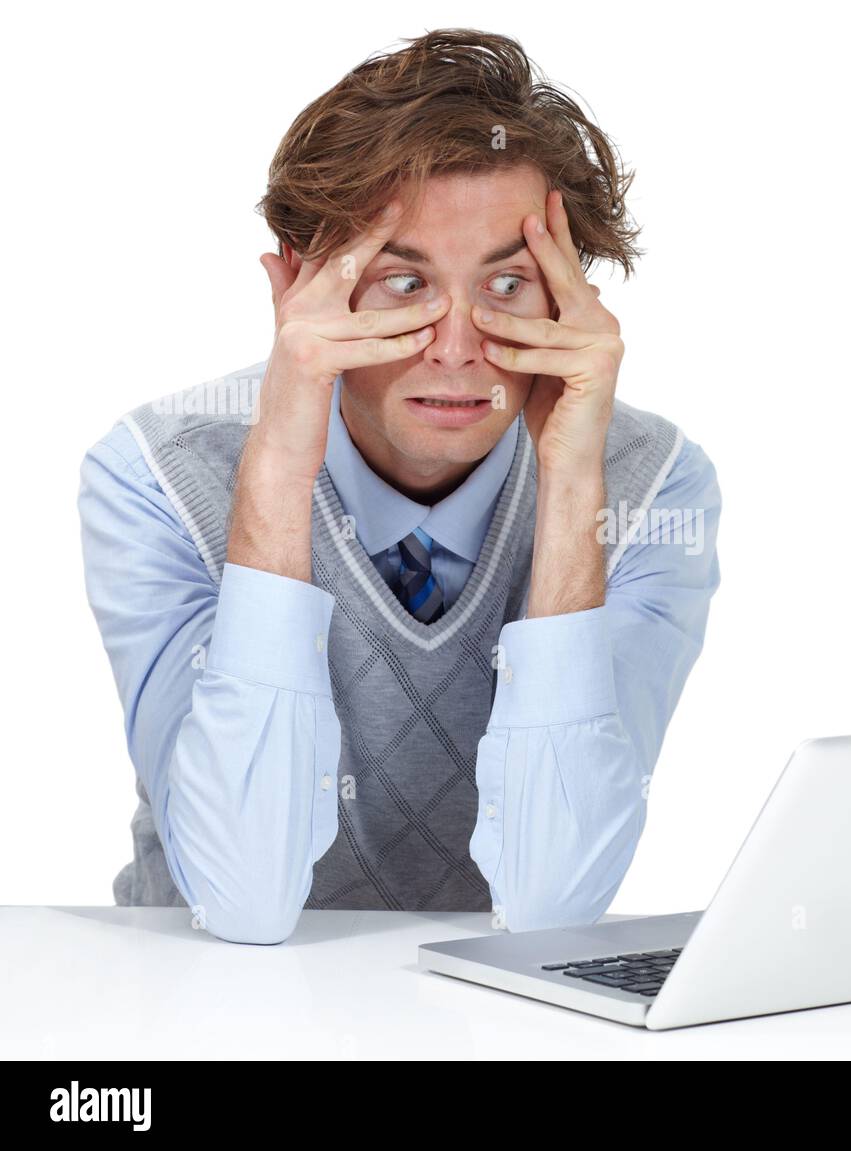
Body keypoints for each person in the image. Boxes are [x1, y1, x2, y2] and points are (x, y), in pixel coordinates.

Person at [77, 28, 721, 944]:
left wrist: (573, 486)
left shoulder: (652, 489)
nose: (456, 348)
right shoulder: (154, 477)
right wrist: (277, 463)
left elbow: (552, 908)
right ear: (296, 286)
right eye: (402, 282)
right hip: (202, 1021)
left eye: (508, 280)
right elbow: (243, 900)